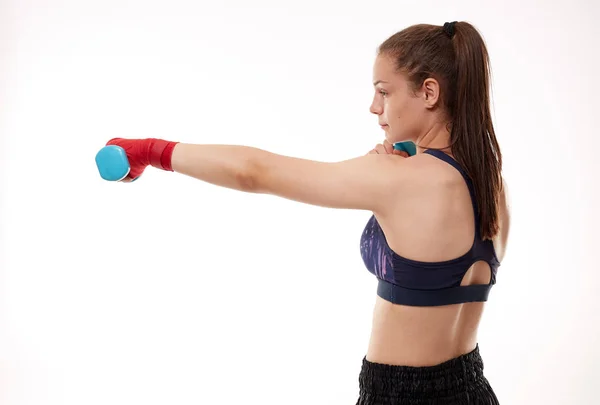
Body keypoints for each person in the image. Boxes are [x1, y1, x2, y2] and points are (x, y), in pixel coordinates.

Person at [102, 20, 510, 405]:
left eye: (384, 92)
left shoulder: (395, 178)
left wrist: (150, 151)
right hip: (473, 386)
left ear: (429, 93)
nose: (373, 106)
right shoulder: (491, 181)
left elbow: (253, 172)